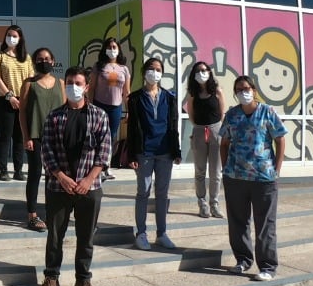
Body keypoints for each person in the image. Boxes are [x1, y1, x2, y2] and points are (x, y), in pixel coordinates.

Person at [36, 67, 111, 286]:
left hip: (90, 187)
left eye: (78, 83)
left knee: (86, 235)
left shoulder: (99, 116)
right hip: (59, 186)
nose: (73, 87)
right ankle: (51, 277)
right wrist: (61, 176)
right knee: (55, 235)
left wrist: (88, 180)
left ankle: (83, 280)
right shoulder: (55, 116)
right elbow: (46, 150)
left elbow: (104, 151)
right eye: (70, 82)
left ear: (87, 86)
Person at [219, 75, 287, 281]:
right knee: (238, 222)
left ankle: (267, 266)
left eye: (247, 88)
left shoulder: (267, 112)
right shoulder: (232, 114)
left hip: (264, 178)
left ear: (254, 90)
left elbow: (280, 139)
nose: (243, 92)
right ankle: (242, 260)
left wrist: (276, 169)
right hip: (236, 177)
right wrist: (226, 169)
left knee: (265, 223)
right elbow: (224, 143)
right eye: (239, 89)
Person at [126, 57, 182, 251]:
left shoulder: (169, 96)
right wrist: (132, 155)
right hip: (144, 152)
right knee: (143, 191)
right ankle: (141, 233)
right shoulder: (134, 98)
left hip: (165, 151)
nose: (154, 72)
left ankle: (161, 233)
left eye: (158, 69)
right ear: (144, 72)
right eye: (151, 68)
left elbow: (173, 125)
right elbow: (132, 128)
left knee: (162, 193)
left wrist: (177, 150)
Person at [18, 47, 63, 233]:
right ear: (34, 62)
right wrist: (26, 136)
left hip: (57, 137)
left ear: (53, 61)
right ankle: (32, 215)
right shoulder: (29, 83)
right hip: (36, 136)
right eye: (39, 58)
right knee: (35, 174)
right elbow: (22, 112)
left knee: (54, 176)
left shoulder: (61, 83)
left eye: (46, 58)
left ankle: (52, 213)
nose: (43, 61)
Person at [183, 60, 225, 218]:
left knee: (216, 172)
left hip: (216, 131)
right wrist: (199, 129)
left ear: (209, 72)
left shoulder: (217, 91)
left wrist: (217, 129)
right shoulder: (193, 95)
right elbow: (192, 116)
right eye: (198, 71)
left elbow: (222, 113)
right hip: (199, 131)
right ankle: (202, 203)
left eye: (205, 70)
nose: (202, 73)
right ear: (194, 74)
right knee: (200, 171)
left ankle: (214, 204)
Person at [0, 24, 33, 181]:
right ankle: (3, 170)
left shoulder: (27, 58)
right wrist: (10, 96)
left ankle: (18, 170)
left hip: (23, 101)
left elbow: (30, 79)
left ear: (20, 38)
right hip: (5, 100)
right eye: (9, 35)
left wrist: (24, 99)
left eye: (15, 35)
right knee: (4, 136)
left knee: (19, 136)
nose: (11, 38)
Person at [91, 37, 130, 180]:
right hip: (99, 105)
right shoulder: (98, 66)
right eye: (109, 47)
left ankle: (106, 166)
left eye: (114, 47)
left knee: (111, 136)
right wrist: (90, 105)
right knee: (98, 136)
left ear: (118, 50)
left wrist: (129, 110)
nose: (112, 50)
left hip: (116, 107)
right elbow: (92, 88)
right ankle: (97, 168)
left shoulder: (124, 69)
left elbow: (127, 92)